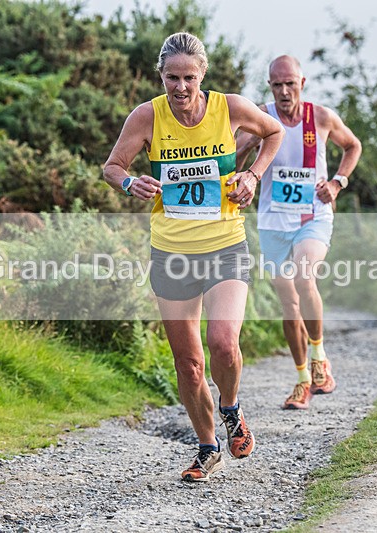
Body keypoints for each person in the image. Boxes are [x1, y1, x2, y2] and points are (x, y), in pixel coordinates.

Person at [103, 32, 284, 481]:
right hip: (171, 252)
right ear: (160, 76)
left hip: (224, 243)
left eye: (188, 78)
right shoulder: (147, 116)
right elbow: (112, 167)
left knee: (223, 342)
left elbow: (274, 131)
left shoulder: (231, 108)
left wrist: (253, 175)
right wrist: (130, 183)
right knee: (189, 362)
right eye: (171, 78)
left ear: (202, 75)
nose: (180, 88)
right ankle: (207, 446)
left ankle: (231, 407)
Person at [236, 56, 361, 410]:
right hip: (274, 220)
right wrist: (245, 151)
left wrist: (338, 182)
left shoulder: (321, 117)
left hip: (313, 215)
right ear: (270, 86)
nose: (284, 91)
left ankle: (320, 355)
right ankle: (303, 379)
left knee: (306, 277)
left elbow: (353, 146)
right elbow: (236, 162)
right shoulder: (260, 117)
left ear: (302, 82)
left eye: (290, 83)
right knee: (289, 306)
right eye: (277, 85)